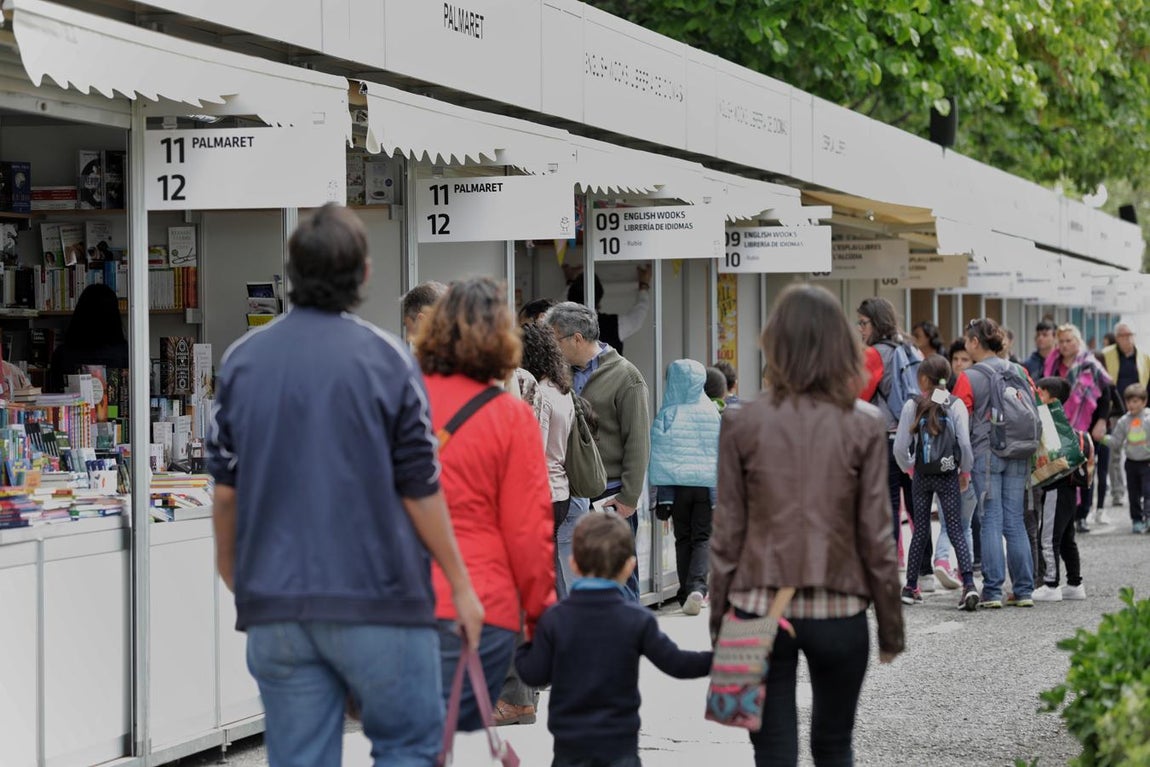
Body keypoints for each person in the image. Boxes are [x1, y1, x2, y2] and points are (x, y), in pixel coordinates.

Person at [207, 204, 483, 767]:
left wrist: (237, 575)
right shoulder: (387, 360)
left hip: (278, 604)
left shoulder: (243, 362)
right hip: (380, 599)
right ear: (363, 274)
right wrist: (459, 581)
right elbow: (420, 487)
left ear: (291, 273)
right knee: (409, 749)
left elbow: (225, 492)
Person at [711, 284, 904, 766]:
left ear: (774, 345)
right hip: (840, 606)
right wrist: (891, 627)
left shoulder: (742, 422)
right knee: (834, 745)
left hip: (757, 606)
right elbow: (877, 534)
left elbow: (728, 532)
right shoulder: (864, 423)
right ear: (843, 346)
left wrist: (719, 621)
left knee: (772, 751)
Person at [414, 277, 555, 731]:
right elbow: (528, 531)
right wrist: (539, 616)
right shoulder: (510, 415)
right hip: (483, 604)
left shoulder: (401, 397)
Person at [515, 512, 712, 767]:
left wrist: (524, 639)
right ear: (629, 567)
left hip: (570, 747)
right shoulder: (637, 620)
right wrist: (721, 658)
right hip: (619, 747)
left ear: (574, 564)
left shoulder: (556, 619)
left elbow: (534, 674)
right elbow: (678, 664)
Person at [546, 301, 651, 601]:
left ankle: (630, 638)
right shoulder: (558, 373)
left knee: (619, 578)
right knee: (579, 582)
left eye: (555, 339)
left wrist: (629, 499)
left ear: (576, 338)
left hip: (611, 498)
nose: (552, 346)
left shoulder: (626, 376)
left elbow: (638, 441)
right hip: (572, 497)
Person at [892, 354, 979, 611]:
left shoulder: (913, 405)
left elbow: (899, 448)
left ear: (922, 379)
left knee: (920, 530)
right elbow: (964, 443)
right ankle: (969, 586)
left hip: (922, 475)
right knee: (955, 529)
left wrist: (910, 468)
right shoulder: (955, 404)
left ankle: (910, 587)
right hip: (948, 473)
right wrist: (965, 472)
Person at [857, 297, 933, 591]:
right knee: (918, 506)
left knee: (888, 507)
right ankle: (925, 573)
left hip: (887, 438)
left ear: (876, 323)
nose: (860, 329)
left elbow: (860, 395)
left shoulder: (876, 353)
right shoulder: (911, 347)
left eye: (863, 323)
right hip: (915, 434)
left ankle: (888, 573)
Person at [964, 318, 1036, 608]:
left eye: (967, 340)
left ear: (974, 343)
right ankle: (1024, 590)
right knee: (1015, 520)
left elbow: (959, 418)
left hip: (988, 453)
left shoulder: (969, 377)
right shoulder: (1019, 370)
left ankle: (992, 591)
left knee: (991, 519)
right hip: (1019, 450)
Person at [649, 359, 721, 615]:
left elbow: (658, 457)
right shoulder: (712, 411)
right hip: (705, 488)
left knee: (683, 539)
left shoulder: (668, 412)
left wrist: (660, 498)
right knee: (703, 538)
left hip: (677, 489)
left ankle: (684, 591)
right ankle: (698, 589)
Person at [519, 321, 576, 593]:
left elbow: (534, 450)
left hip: (543, 492)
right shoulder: (561, 390)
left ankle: (556, 626)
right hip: (560, 490)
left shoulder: (539, 394)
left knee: (545, 573)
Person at [1043, 324, 1112, 533]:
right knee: (1060, 468)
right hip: (1056, 424)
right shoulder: (1052, 363)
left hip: (1086, 426)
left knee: (1085, 469)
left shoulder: (1090, 364)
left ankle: (1082, 513)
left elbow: (1105, 394)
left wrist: (1101, 421)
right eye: (1061, 341)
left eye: (1068, 341)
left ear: (1077, 341)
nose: (1064, 345)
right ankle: (1062, 512)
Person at [1032, 377, 1090, 601]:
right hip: (1069, 488)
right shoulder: (1062, 422)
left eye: (1040, 393)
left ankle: (1051, 584)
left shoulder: (1049, 420)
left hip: (1056, 487)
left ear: (1052, 399)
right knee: (1066, 538)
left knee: (1047, 537)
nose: (1036, 396)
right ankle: (1075, 583)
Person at [1101, 323, 1150, 510]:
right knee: (1115, 451)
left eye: (1129, 335)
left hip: (1138, 410)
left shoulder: (1144, 357)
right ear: (1116, 337)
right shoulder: (1106, 355)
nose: (1126, 339)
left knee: (1141, 447)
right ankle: (1117, 492)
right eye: (1122, 335)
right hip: (1115, 410)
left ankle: (1143, 488)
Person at [47, 283, 130, 393]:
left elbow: (54, 392)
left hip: (73, 409)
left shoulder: (62, 354)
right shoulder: (126, 353)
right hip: (119, 410)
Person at [564, 263, 651, 355]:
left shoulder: (564, 326)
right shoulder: (613, 326)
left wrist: (570, 283)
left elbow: (559, 306)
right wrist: (644, 286)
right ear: (599, 303)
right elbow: (637, 317)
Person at [1102, 383, 1150, 534]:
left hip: (1147, 461)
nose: (1131, 405)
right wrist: (1102, 438)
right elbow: (1116, 441)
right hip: (1131, 462)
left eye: (1135, 401)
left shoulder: (1148, 418)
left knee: (1148, 491)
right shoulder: (1124, 421)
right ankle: (1136, 519)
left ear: (1144, 402)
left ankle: (1148, 517)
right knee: (1133, 493)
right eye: (1129, 401)